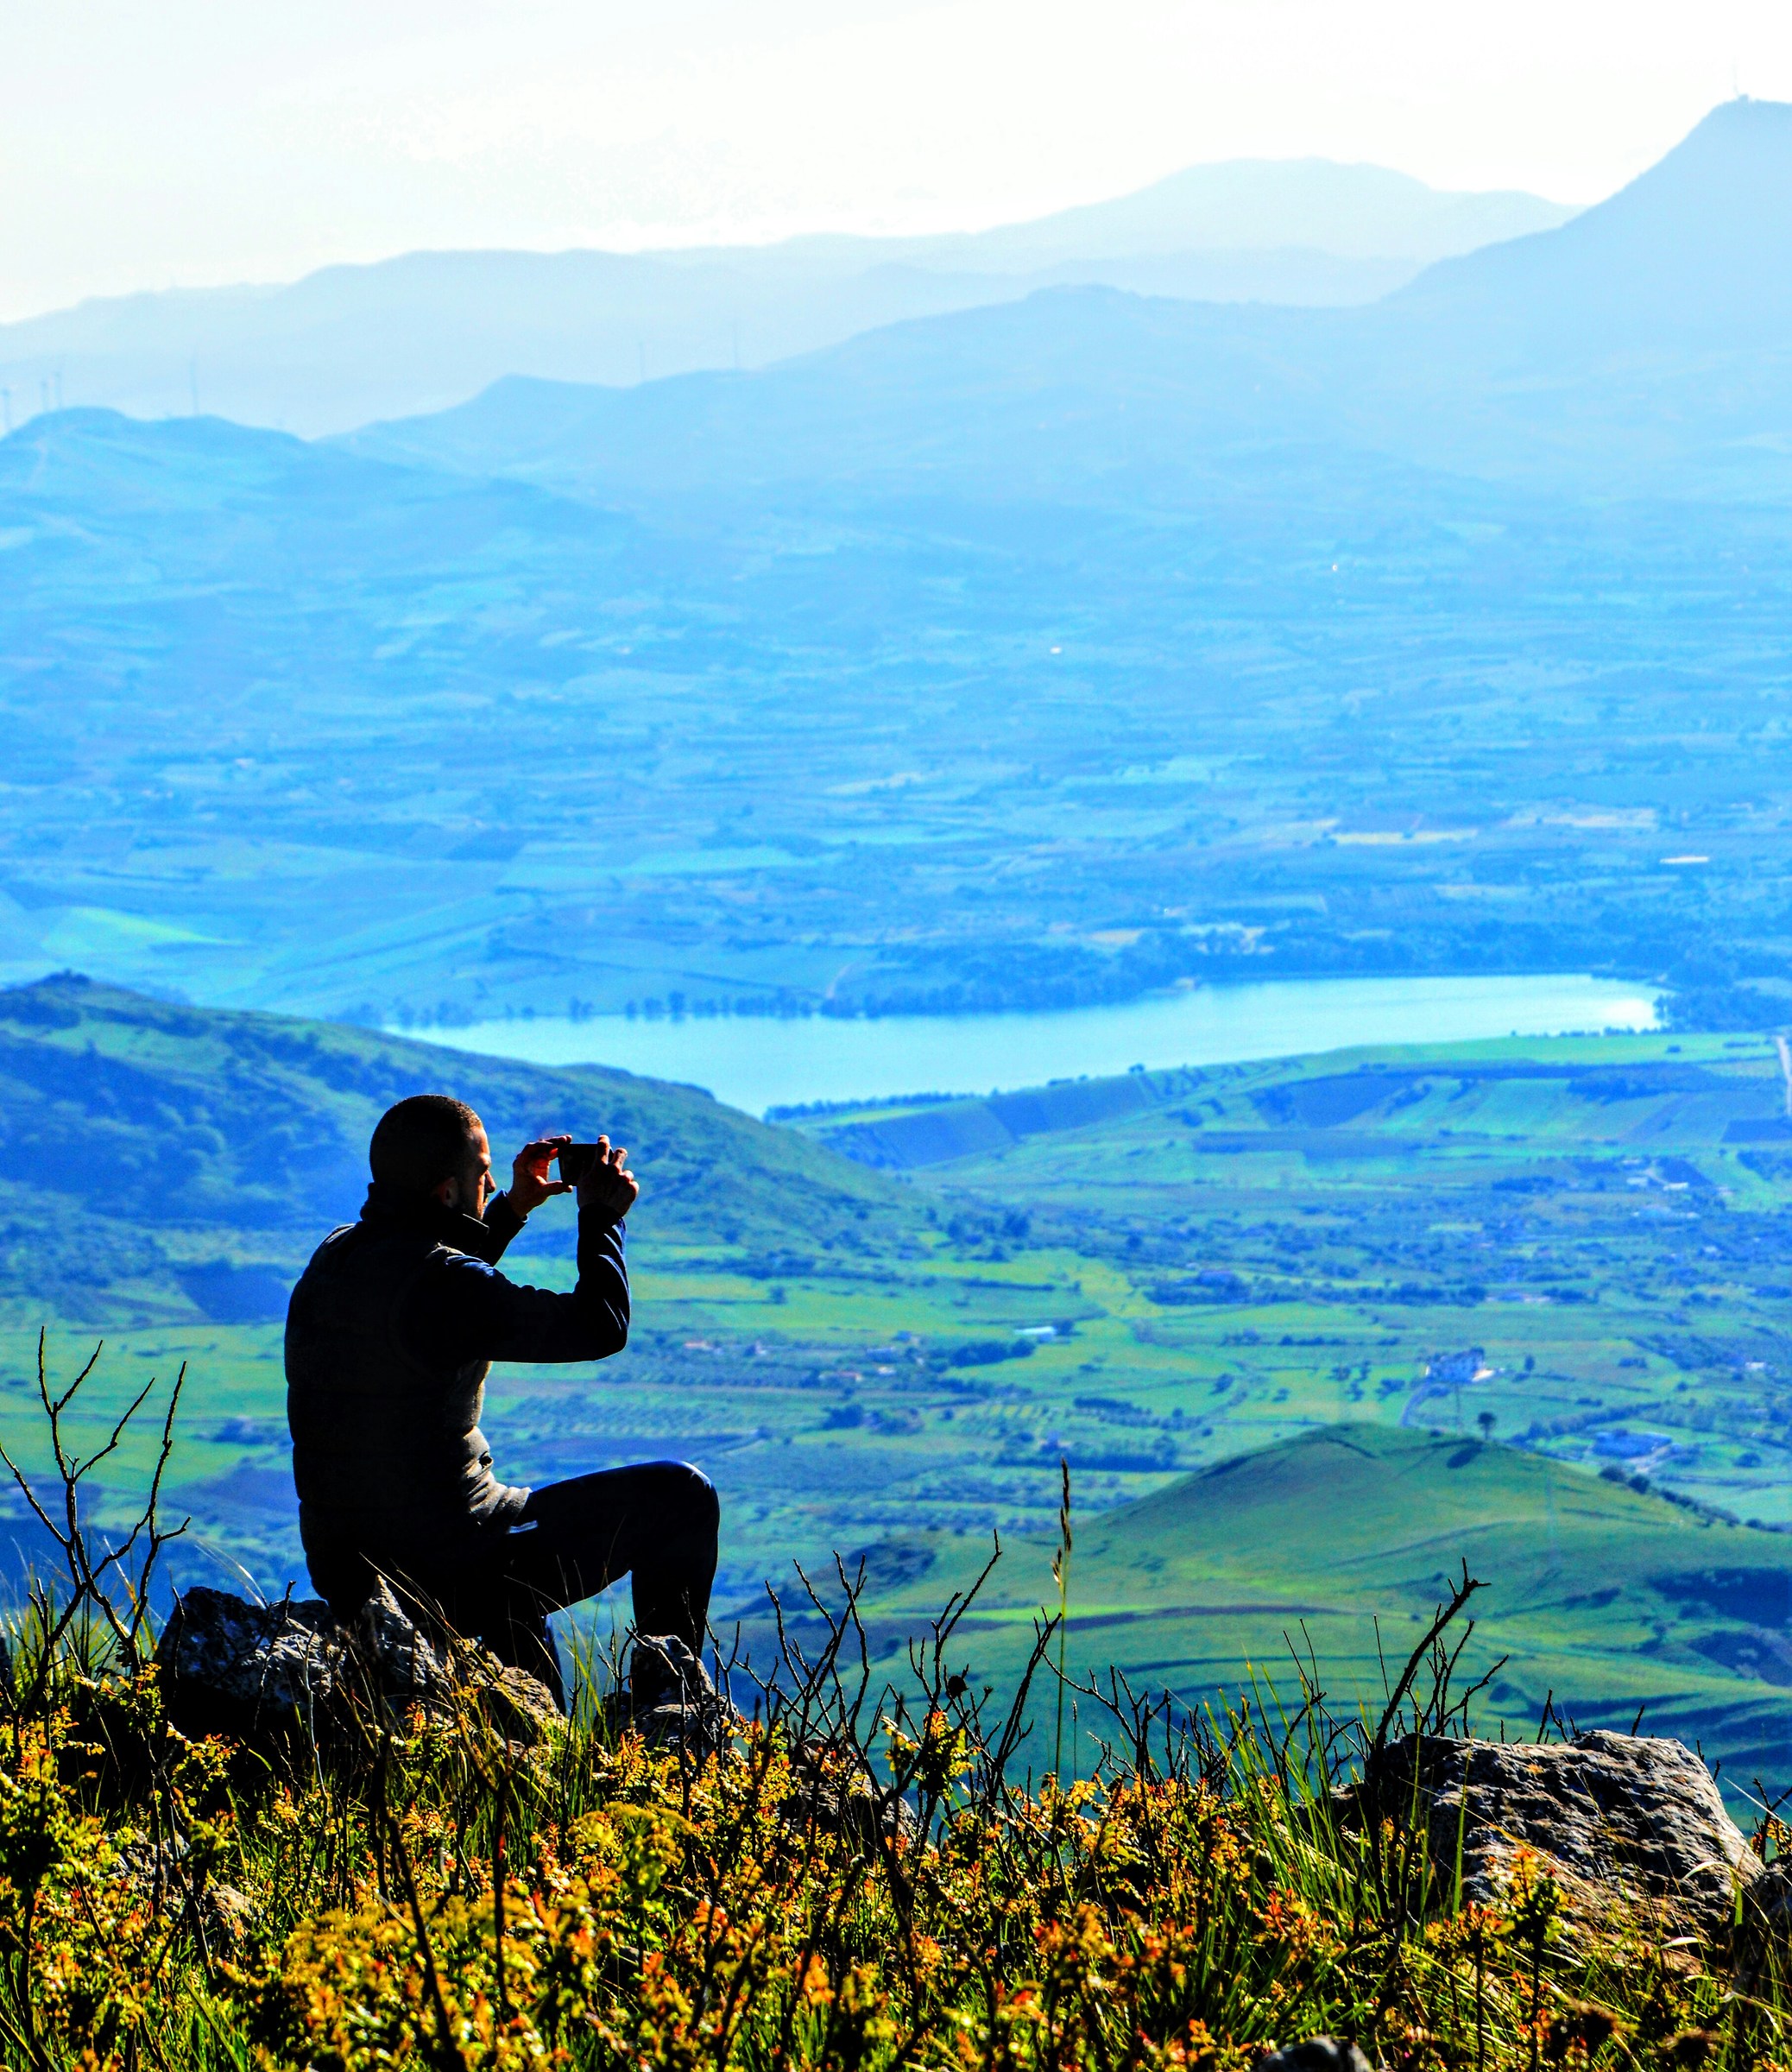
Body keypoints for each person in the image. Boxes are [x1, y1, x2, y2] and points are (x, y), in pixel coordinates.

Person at [284, 1093, 720, 1709]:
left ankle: (541, 1760)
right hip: (452, 1563)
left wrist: (512, 1208)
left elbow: (437, 1299)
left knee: (521, 1623)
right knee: (684, 1498)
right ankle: (666, 1717)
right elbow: (598, 1326)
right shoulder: (441, 1285)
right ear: (445, 1193)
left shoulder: (338, 1256)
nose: (491, 1181)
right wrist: (601, 1218)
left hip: (352, 1572)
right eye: (481, 1174)